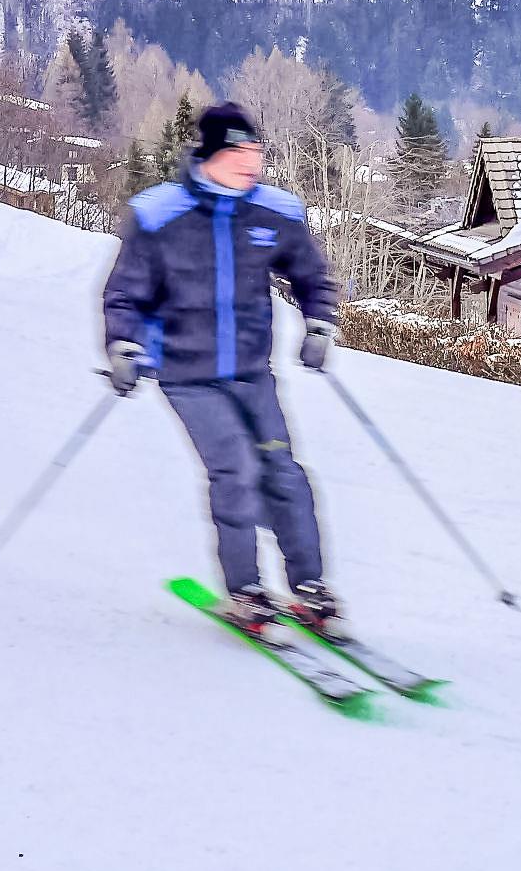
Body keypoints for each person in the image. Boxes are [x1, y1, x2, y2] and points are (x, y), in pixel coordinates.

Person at [102, 102, 344, 639]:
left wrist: (320, 323)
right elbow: (125, 293)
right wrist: (123, 346)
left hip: (252, 372)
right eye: (239, 154)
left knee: (283, 471)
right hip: (187, 375)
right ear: (209, 156)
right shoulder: (159, 215)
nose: (251, 164)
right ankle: (246, 591)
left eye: (256, 152)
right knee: (235, 470)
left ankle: (309, 587)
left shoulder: (273, 212)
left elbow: (312, 276)